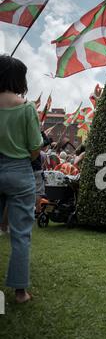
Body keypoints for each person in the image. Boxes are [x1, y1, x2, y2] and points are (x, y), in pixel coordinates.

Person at [0, 54, 42, 303]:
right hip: (19, 171)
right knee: (20, 235)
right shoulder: (26, 107)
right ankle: (19, 292)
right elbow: (35, 148)